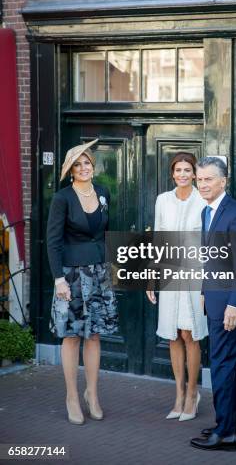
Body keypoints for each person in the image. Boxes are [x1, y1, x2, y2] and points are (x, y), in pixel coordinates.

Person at [190, 156, 236, 452]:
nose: (202, 184)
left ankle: (225, 433)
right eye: (199, 179)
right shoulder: (208, 211)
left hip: (232, 304)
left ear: (223, 181)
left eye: (208, 179)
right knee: (226, 364)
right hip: (216, 298)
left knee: (220, 364)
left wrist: (234, 305)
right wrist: (206, 290)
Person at [47, 139, 117, 425]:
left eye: (87, 162)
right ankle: (72, 397)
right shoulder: (62, 198)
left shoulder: (103, 192)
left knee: (96, 335)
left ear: (93, 165)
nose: (84, 167)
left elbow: (105, 232)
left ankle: (92, 394)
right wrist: (58, 279)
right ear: (71, 170)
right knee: (72, 336)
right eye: (78, 164)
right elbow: (52, 241)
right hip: (72, 276)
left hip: (99, 273)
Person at [146, 152, 208, 421]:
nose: (182, 174)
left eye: (187, 170)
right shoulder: (163, 200)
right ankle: (179, 395)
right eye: (178, 170)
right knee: (172, 335)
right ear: (172, 173)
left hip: (196, 275)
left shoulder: (204, 200)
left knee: (189, 334)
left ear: (194, 173)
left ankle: (193, 393)